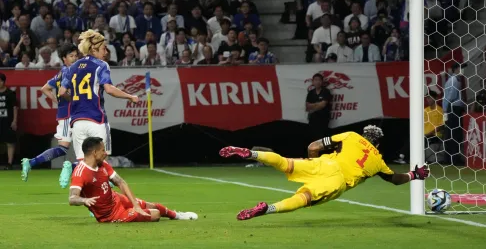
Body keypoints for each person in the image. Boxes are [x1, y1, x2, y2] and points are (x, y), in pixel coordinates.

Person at [219, 125, 430, 220]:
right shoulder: (378, 160)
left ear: (364, 134)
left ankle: (251, 153)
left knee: (284, 162)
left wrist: (312, 161)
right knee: (303, 198)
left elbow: (313, 145)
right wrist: (415, 174)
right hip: (338, 180)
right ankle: (267, 209)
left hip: (323, 163)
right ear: (378, 142)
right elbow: (394, 179)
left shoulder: (350, 136)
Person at [58, 29, 139, 188]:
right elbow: (109, 89)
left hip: (77, 121)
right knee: (102, 163)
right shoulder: (101, 65)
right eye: (103, 48)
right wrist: (130, 96)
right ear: (93, 49)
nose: (106, 52)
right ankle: (105, 202)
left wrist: (76, 98)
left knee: (84, 164)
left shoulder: (72, 67)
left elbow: (61, 92)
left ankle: (78, 180)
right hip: (96, 119)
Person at [69, 137, 198, 222]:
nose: (106, 153)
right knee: (155, 214)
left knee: (151, 205)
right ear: (94, 153)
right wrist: (84, 200)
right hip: (110, 215)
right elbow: (72, 198)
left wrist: (135, 205)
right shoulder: (80, 173)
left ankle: (177, 215)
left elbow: (120, 182)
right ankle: (139, 213)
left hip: (116, 199)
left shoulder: (103, 164)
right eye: (103, 150)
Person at [21, 44, 79, 182]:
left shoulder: (62, 71)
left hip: (72, 113)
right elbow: (56, 91)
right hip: (69, 114)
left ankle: (31, 162)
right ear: (64, 58)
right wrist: (64, 100)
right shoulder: (68, 72)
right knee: (67, 148)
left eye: (76, 55)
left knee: (85, 146)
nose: (75, 58)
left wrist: (56, 100)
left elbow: (45, 88)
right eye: (71, 56)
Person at [0, 72, 18, 170]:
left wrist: (14, 121)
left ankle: (9, 163)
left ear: (3, 82)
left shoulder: (10, 93)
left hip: (7, 121)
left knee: (10, 142)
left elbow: (15, 107)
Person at [306, 73, 331, 141]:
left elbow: (323, 105)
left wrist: (313, 107)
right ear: (313, 82)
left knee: (322, 139)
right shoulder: (310, 93)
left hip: (323, 119)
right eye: (316, 80)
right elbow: (307, 107)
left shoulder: (326, 91)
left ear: (322, 81)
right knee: (313, 138)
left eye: (319, 80)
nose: (317, 82)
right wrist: (317, 104)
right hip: (312, 119)